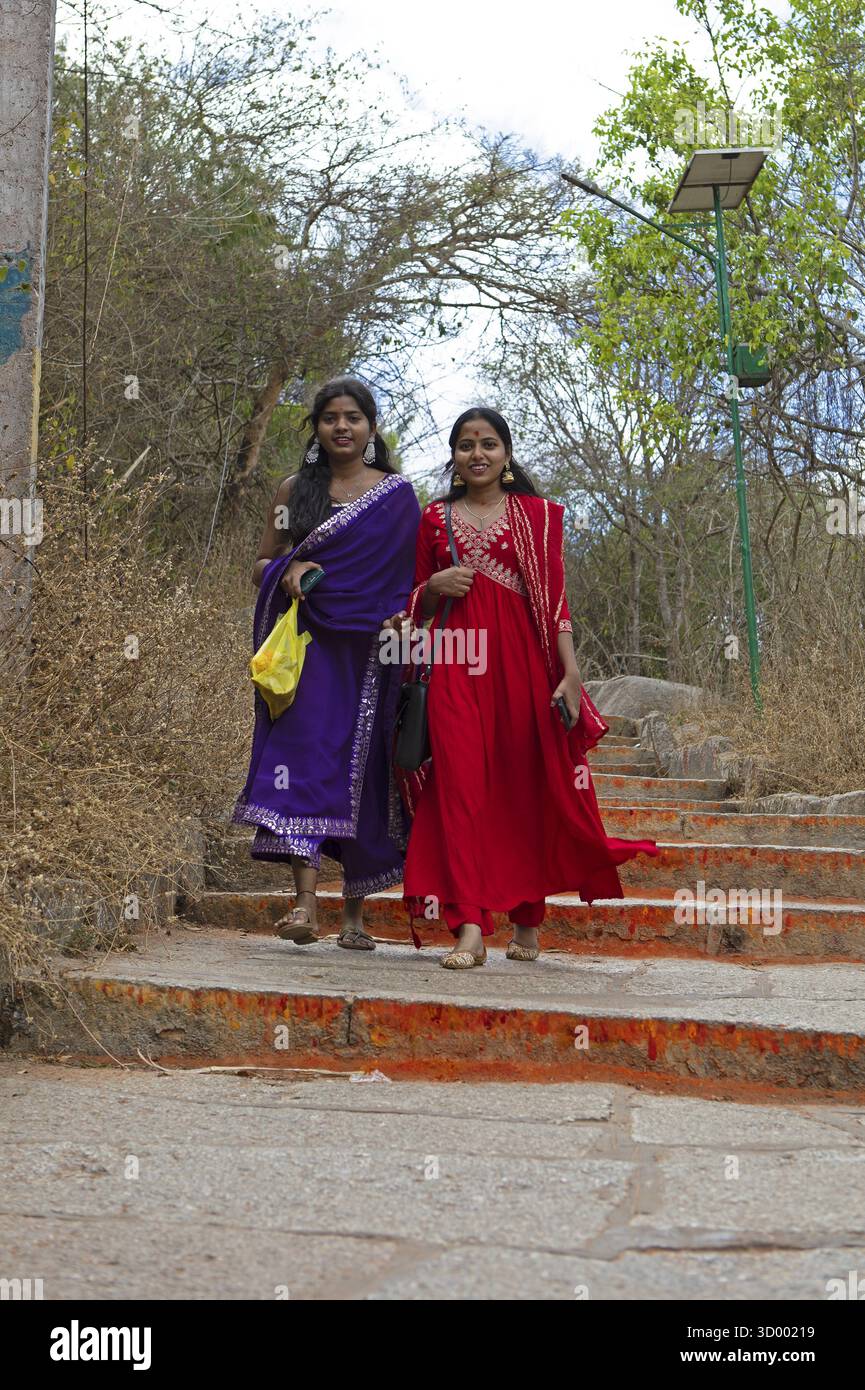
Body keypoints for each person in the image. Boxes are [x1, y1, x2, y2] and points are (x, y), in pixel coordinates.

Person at [392, 406, 659, 968]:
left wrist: (570, 673)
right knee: (459, 788)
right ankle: (468, 926)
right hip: (454, 666)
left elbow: (556, 604)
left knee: (522, 787)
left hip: (523, 667)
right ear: (454, 457)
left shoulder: (537, 517)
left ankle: (528, 919)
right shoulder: (433, 519)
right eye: (465, 445)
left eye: (488, 443)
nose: (477, 454)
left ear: (507, 454)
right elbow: (410, 607)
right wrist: (435, 587)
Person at [233, 377, 420, 949]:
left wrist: (404, 621)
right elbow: (262, 560)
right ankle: (306, 906)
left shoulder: (396, 496)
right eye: (330, 417)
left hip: (371, 655)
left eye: (353, 417)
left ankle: (355, 915)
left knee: (362, 772)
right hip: (308, 650)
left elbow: (409, 578)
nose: (342, 426)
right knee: (303, 758)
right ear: (316, 428)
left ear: (370, 427)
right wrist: (284, 570)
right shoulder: (296, 489)